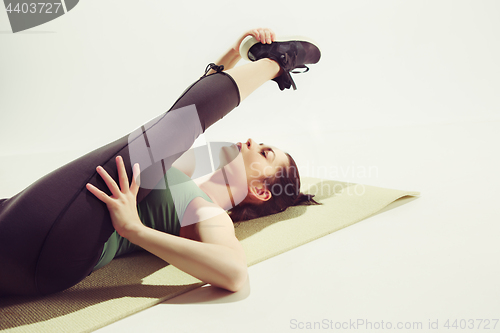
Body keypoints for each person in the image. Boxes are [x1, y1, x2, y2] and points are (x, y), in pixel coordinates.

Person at [0, 28, 321, 297]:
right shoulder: (183, 173)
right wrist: (232, 54)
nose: (252, 142)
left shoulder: (209, 212)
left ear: (261, 191)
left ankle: (276, 63)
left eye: (265, 153)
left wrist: (134, 230)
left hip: (57, 244)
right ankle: (273, 62)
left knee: (166, 135)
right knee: (166, 133)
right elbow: (174, 121)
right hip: (23, 225)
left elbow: (235, 274)